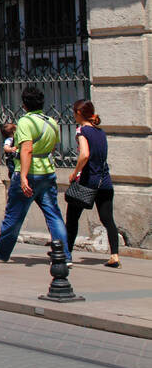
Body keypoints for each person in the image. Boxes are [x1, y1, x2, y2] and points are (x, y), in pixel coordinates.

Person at [0, 86, 70, 263]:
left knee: (14, 215)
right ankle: (64, 256)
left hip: (29, 173)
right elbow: (53, 147)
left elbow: (27, 150)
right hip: (48, 172)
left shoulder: (25, 122)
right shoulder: (51, 121)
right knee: (54, 214)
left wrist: (22, 176)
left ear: (24, 105)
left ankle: (1, 251)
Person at [65, 100, 121, 268]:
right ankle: (115, 255)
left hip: (87, 182)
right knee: (108, 219)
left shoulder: (82, 130)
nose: (73, 115)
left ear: (79, 114)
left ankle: (66, 255)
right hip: (105, 182)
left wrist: (75, 173)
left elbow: (84, 154)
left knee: (72, 219)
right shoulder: (100, 132)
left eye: (74, 112)